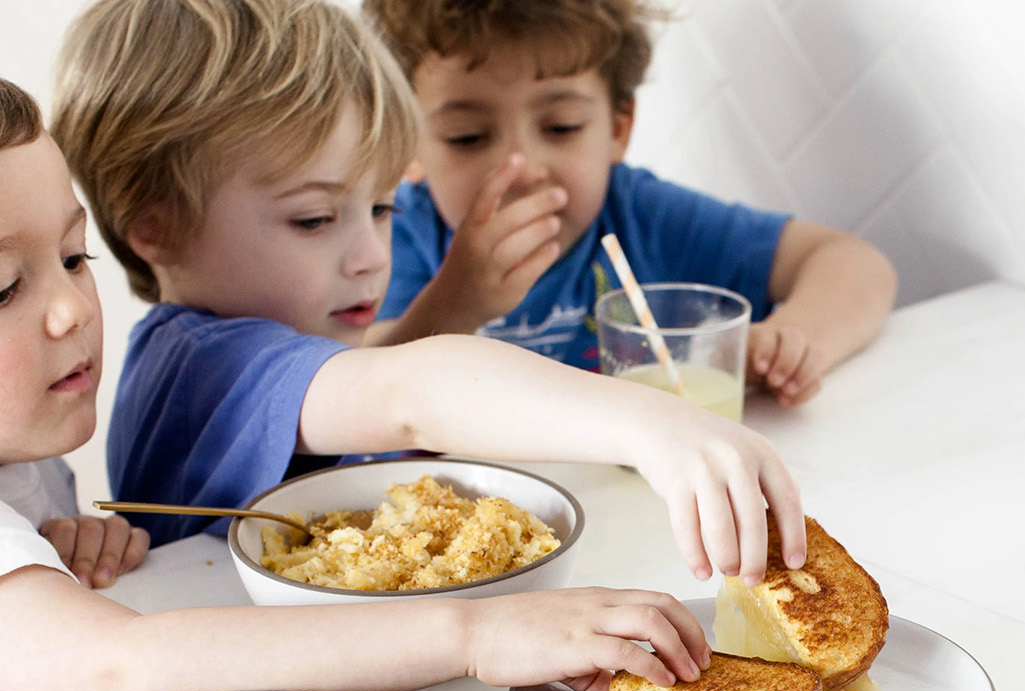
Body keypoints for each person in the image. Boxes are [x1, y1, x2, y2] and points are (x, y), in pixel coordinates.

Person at [0, 75, 711, 691]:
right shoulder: (200, 360)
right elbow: (114, 667)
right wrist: (478, 632)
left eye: (73, 259)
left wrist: (48, 548)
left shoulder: (24, 456)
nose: (76, 311)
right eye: (3, 287)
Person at [52, 0, 803, 586]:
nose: (369, 257)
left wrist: (457, 305)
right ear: (156, 227)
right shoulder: (200, 366)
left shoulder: (292, 347)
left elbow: (375, 379)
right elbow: (407, 390)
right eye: (315, 219)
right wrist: (650, 423)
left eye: (380, 209)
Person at [360, 0, 896, 407]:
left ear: (618, 129)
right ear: (408, 144)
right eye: (468, 136)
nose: (522, 167)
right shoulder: (392, 236)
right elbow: (344, 387)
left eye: (562, 127)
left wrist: (791, 340)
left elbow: (851, 263)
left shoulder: (639, 216)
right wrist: (457, 302)